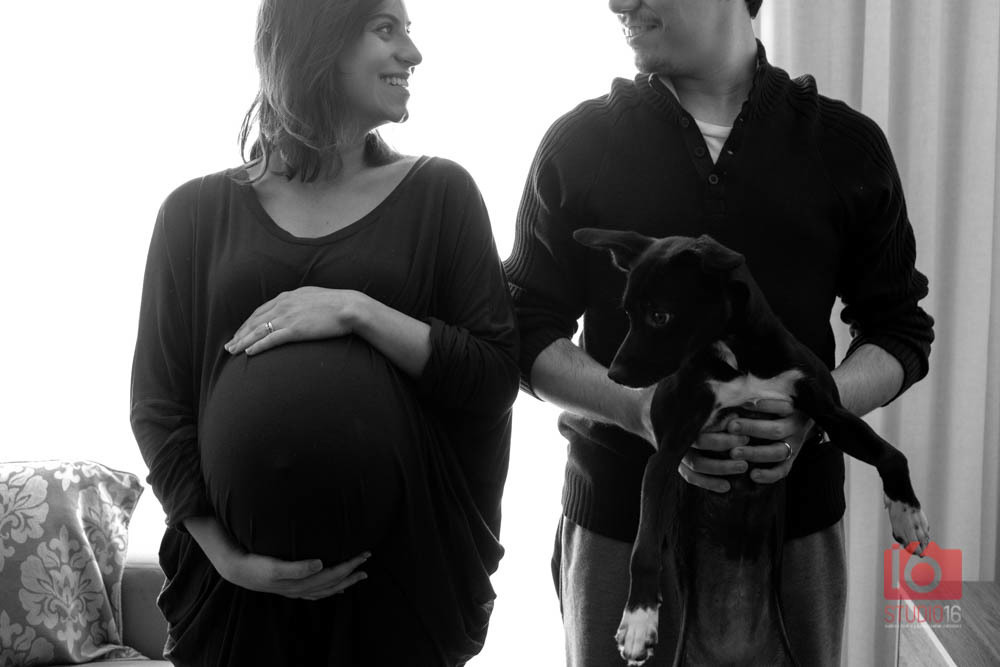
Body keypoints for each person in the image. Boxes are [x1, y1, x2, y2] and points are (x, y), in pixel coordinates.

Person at [502, 1, 934, 665]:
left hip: (792, 541)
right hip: (621, 531)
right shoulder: (577, 144)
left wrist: (815, 407)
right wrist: (638, 408)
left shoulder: (846, 145)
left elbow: (899, 327)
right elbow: (523, 328)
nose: (617, 3)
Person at [130, 1, 519, 664]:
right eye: (386, 30)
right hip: (236, 606)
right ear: (317, 41)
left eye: (409, 32)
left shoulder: (440, 194)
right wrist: (228, 559)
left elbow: (492, 376)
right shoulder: (192, 214)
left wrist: (355, 310)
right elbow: (157, 406)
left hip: (398, 595)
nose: (413, 54)